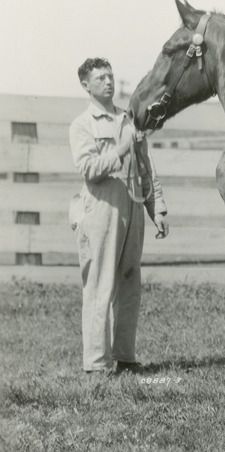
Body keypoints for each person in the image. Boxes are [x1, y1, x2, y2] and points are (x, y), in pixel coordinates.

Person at [68, 58, 169, 374]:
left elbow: (145, 167)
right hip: (101, 210)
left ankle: (125, 358)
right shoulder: (83, 124)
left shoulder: (129, 120)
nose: (108, 82)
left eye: (110, 76)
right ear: (86, 84)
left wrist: (158, 209)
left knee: (129, 282)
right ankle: (96, 364)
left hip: (133, 209)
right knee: (100, 284)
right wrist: (120, 150)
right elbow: (88, 169)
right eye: (100, 78)